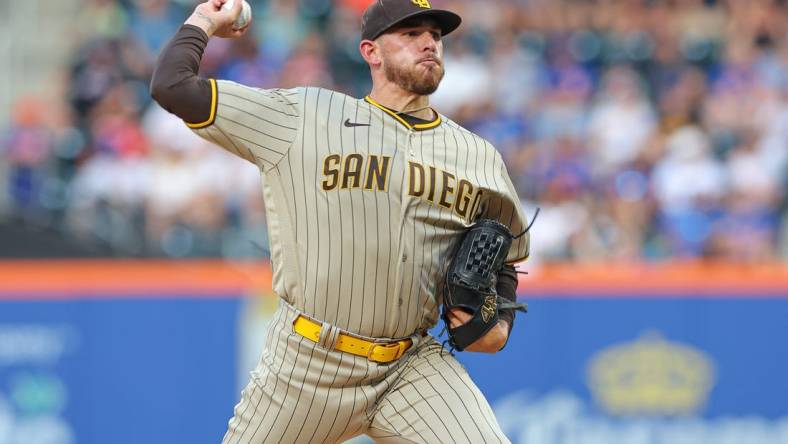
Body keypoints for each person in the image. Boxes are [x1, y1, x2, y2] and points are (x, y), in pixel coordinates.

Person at [150, 0, 531, 442]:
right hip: (307, 363)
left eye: (435, 35)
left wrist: (499, 325)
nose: (429, 43)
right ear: (371, 52)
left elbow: (503, 253)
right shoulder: (303, 116)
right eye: (411, 34)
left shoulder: (477, 156)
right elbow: (172, 86)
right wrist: (204, 21)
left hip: (411, 366)